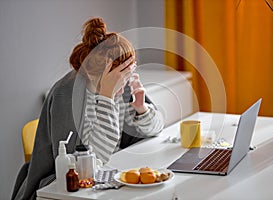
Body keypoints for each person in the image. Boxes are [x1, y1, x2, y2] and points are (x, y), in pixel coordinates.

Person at [11, 17, 164, 200]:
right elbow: (86, 164)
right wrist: (106, 96)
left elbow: (157, 128)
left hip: (108, 175)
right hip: (63, 187)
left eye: (128, 73)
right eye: (121, 76)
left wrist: (142, 110)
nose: (125, 82)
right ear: (97, 75)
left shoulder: (121, 86)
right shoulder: (67, 94)